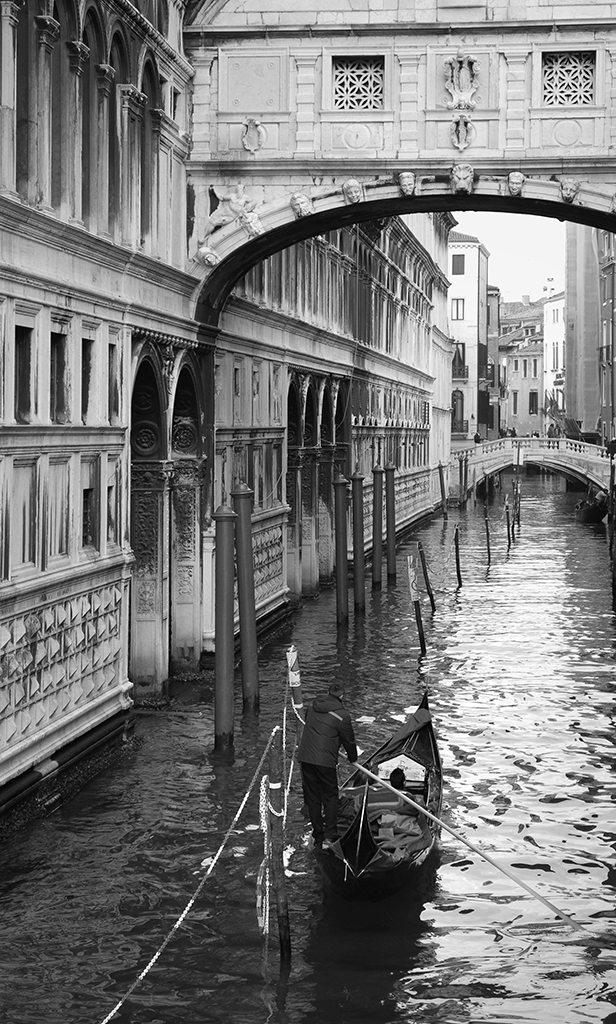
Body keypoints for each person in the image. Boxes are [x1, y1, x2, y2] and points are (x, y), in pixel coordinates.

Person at [298, 681, 358, 849]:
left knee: (313, 797)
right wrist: (353, 758)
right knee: (330, 797)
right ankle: (329, 836)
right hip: (324, 762)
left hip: (306, 759)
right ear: (342, 696)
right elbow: (349, 740)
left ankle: (318, 835)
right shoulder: (342, 716)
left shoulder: (312, 708)